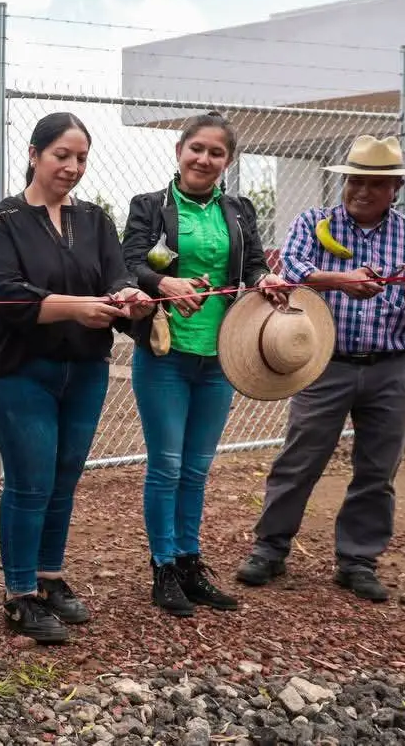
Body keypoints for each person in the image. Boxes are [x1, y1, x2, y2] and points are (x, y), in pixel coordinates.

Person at [235, 134, 405, 603]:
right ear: (344, 181)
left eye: (375, 183)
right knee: (300, 459)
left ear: (395, 190)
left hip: (390, 366)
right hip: (323, 363)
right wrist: (339, 281)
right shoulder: (315, 223)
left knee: (377, 468)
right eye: (355, 180)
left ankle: (358, 560)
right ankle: (270, 548)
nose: (362, 191)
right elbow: (289, 268)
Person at [0, 112, 151, 645]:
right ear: (34, 154)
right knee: (30, 481)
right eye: (61, 156)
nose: (72, 167)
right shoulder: (2, 220)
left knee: (64, 477)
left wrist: (127, 295)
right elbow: (8, 295)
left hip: (84, 369)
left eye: (80, 158)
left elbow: (116, 271)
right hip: (20, 371)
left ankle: (49, 577)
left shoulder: (96, 219)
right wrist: (77, 309)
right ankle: (18, 593)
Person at [120, 111, 287, 617]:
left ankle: (191, 565)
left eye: (217, 152)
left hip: (222, 354)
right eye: (197, 148)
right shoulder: (150, 206)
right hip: (167, 352)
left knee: (196, 469)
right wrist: (162, 283)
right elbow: (128, 264)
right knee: (166, 466)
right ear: (179, 150)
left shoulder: (238, 210)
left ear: (227, 161)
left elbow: (254, 261)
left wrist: (264, 279)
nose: (205, 159)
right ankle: (163, 568)